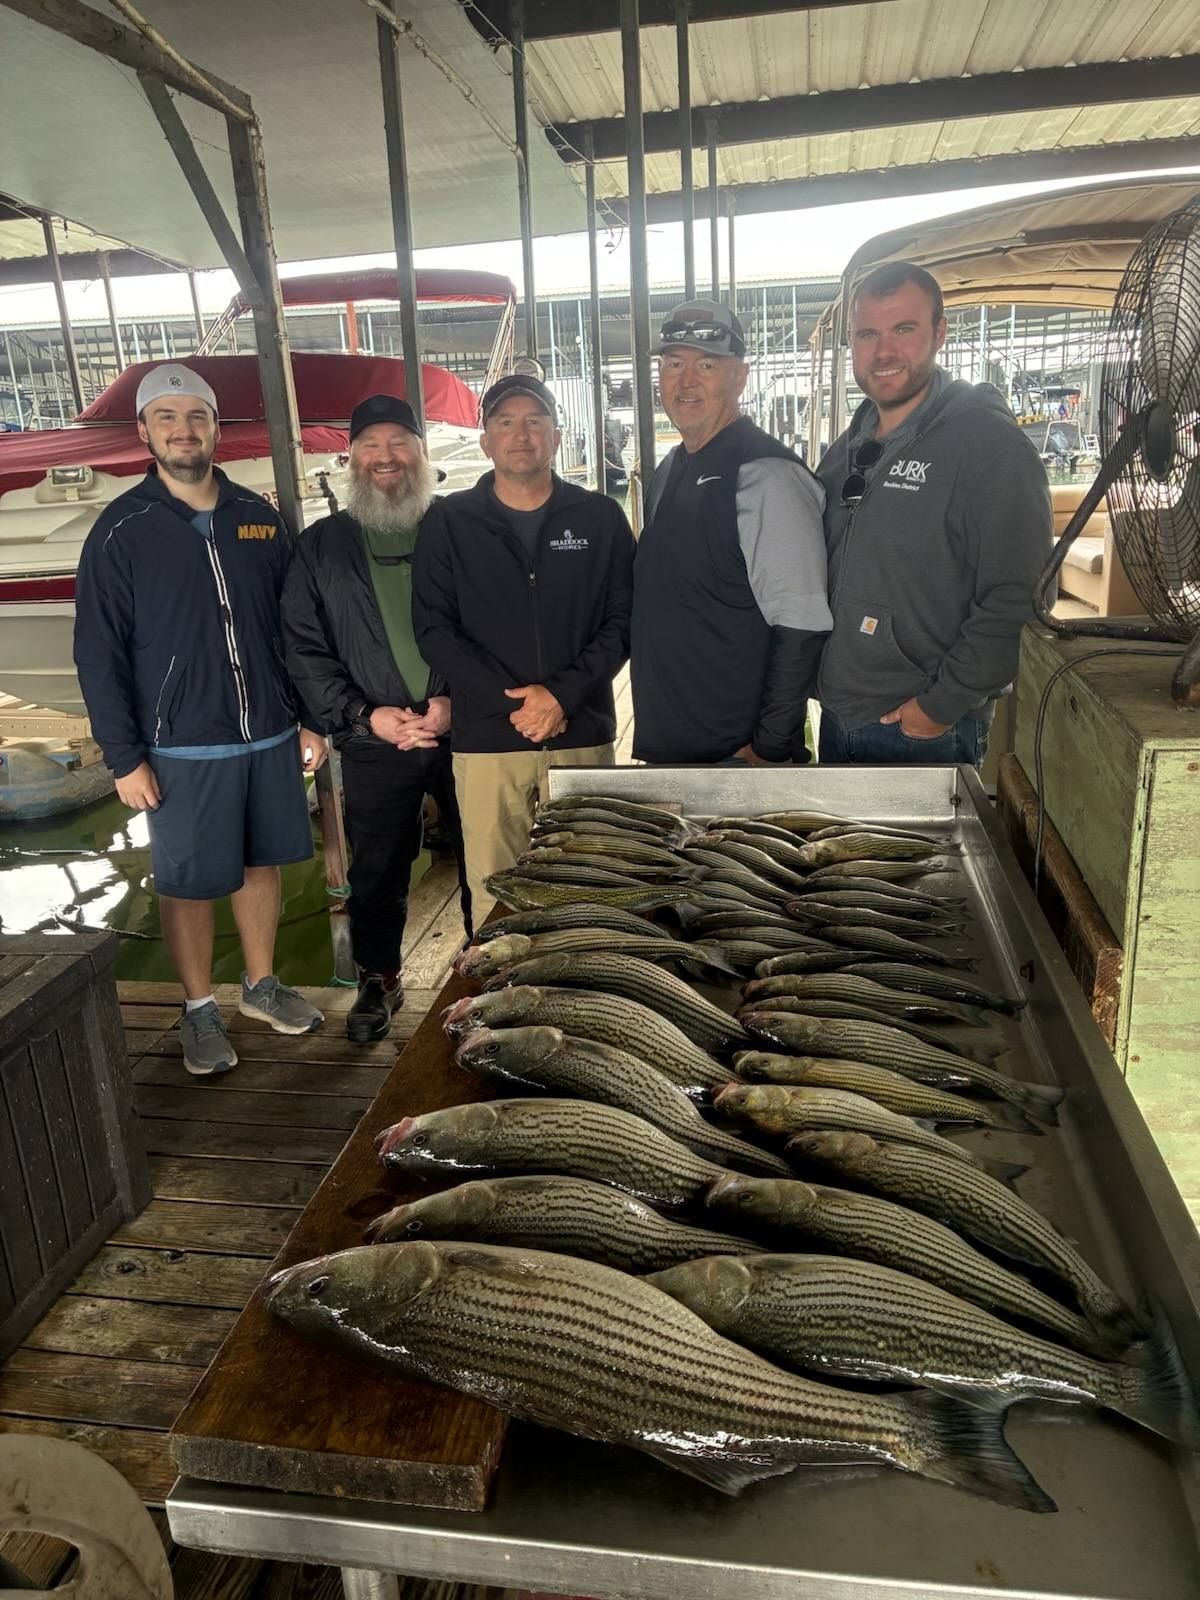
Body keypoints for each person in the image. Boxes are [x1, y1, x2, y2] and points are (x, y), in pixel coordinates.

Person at [73, 363, 326, 1076]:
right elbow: (97, 652)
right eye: (167, 417)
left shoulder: (257, 516)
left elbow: (294, 628)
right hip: (180, 745)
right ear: (145, 431)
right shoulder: (122, 529)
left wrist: (308, 718)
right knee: (185, 881)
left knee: (261, 865)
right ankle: (197, 1009)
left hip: (270, 733)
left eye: (197, 417)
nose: (184, 430)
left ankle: (260, 985)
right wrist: (123, 757)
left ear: (216, 427)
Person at [412, 373, 635, 923]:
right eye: (505, 422)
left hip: (580, 733)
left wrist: (561, 695)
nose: (521, 433)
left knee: (589, 884)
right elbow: (435, 630)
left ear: (557, 436)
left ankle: (585, 1001)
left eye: (535, 420)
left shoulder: (599, 517)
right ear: (485, 440)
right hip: (489, 741)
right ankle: (495, 1004)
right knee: (495, 892)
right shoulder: (449, 521)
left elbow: (624, 621)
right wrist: (519, 704)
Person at [282, 394, 470, 1043]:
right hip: (371, 738)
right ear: (351, 457)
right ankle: (378, 980)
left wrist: (455, 705)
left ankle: (490, 978)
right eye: (371, 444)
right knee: (377, 868)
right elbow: (303, 649)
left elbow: (502, 632)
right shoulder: (319, 549)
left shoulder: (465, 528)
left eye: (399, 443)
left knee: (488, 857)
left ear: (422, 452)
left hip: (465, 734)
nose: (385, 457)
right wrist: (364, 715)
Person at [816, 261, 1052, 767]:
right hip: (837, 716)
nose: (883, 352)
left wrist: (937, 708)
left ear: (939, 332)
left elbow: (1022, 596)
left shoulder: (988, 445)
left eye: (904, 329)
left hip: (920, 730)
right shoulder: (845, 449)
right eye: (866, 333)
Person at [630, 299, 831, 765]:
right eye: (674, 364)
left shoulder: (767, 474)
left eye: (706, 365)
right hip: (671, 747)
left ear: (739, 378)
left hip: (735, 758)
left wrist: (770, 747)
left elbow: (802, 624)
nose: (687, 380)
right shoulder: (670, 469)